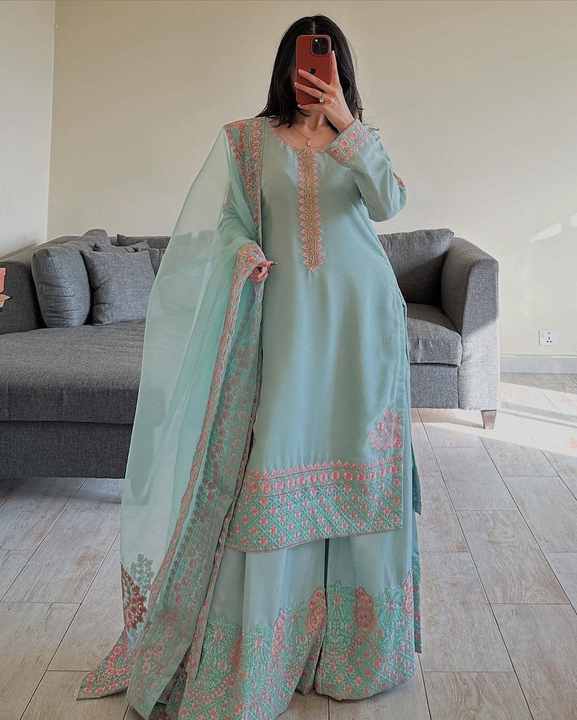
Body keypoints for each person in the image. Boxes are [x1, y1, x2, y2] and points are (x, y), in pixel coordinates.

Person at [76, 14, 422, 720]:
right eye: (303, 59)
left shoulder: (362, 139)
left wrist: (346, 124)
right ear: (285, 65)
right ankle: (264, 656)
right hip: (284, 324)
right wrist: (244, 253)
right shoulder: (245, 140)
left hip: (362, 329)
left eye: (326, 61)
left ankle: (352, 653)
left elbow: (388, 204)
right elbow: (229, 220)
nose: (312, 72)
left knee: (362, 469)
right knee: (275, 462)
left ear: (340, 68)